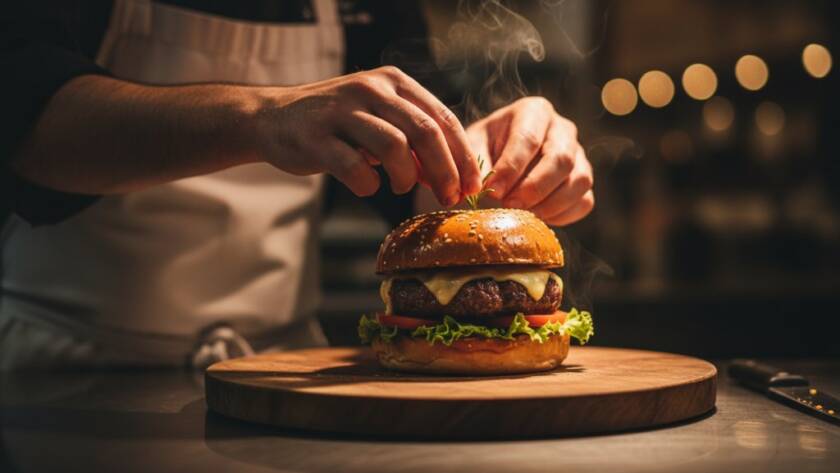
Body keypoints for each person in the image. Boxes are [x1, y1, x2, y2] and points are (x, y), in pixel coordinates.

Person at [0, 0, 594, 369]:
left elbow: (406, 180)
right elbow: (26, 119)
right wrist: (260, 119)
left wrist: (481, 169)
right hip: (68, 372)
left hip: (282, 371)